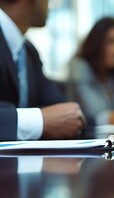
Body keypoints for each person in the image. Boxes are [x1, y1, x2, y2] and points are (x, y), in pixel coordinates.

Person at [0, 0, 85, 141]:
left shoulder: (28, 51)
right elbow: (49, 118)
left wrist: (110, 119)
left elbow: (62, 111)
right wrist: (40, 121)